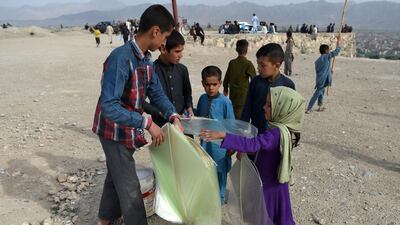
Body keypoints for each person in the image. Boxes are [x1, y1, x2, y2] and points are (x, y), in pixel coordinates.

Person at [91, 5, 183, 225]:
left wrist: (173, 115)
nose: (164, 44)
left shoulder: (145, 60)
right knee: (130, 188)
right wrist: (147, 122)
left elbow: (155, 91)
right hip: (113, 131)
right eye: (165, 37)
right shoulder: (120, 59)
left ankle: (104, 220)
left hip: (127, 129)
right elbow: (109, 106)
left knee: (116, 177)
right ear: (155, 32)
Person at [200, 86, 305, 225]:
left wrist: (223, 135)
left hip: (269, 185)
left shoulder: (276, 133)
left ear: (282, 109)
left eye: (269, 105)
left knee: (265, 215)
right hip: (274, 183)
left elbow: (255, 144)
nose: (264, 107)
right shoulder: (283, 130)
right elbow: (262, 147)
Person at [196, 66, 235, 203]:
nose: (211, 88)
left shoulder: (225, 102)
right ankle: (210, 195)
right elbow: (200, 115)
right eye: (207, 84)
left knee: (220, 170)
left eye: (214, 84)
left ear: (220, 83)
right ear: (202, 83)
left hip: (220, 146)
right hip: (205, 143)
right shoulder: (202, 99)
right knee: (207, 169)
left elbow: (231, 124)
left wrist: (232, 144)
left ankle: (220, 197)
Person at [241, 43, 295, 137]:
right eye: (258, 64)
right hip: (256, 135)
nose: (258, 68)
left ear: (277, 66)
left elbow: (291, 116)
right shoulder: (255, 82)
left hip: (277, 137)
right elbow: (247, 109)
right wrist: (241, 134)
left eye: (262, 65)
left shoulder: (288, 85)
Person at [144, 30, 193, 126]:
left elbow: (187, 93)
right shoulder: (151, 70)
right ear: (163, 49)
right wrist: (156, 112)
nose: (181, 55)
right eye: (177, 51)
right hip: (161, 125)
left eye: (182, 51)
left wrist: (189, 107)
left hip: (182, 123)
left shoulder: (182, 70)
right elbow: (141, 100)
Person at [223, 39, 256, 119]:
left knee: (233, 110)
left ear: (236, 50)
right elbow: (254, 79)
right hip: (244, 93)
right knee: (242, 112)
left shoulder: (232, 62)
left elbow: (227, 77)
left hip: (233, 92)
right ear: (247, 50)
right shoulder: (248, 64)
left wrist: (225, 88)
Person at [306, 43, 341, 113]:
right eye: (328, 50)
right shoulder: (326, 56)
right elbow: (335, 53)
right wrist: (338, 46)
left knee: (321, 92)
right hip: (322, 79)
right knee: (318, 92)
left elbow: (323, 68)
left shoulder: (318, 60)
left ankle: (320, 106)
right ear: (325, 51)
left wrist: (329, 70)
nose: (329, 51)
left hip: (320, 79)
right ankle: (309, 108)